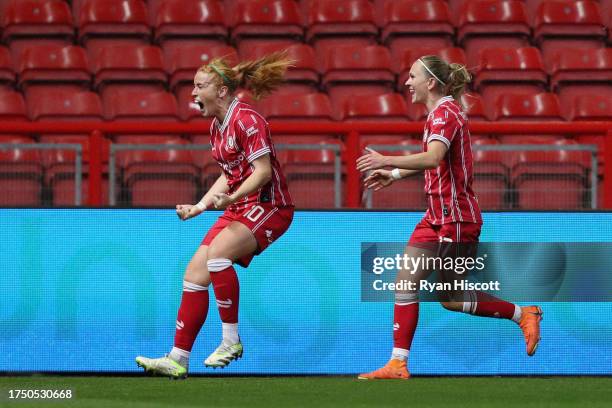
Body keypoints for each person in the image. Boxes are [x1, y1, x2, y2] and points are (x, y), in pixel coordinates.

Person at [355, 55, 543, 380]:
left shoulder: (445, 113)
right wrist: (395, 174)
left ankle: (523, 313)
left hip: (457, 220)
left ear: (430, 82)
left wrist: (385, 159)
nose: (407, 82)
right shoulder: (438, 114)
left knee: (452, 298)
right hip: (435, 217)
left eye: (412, 76)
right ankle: (398, 363)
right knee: (405, 282)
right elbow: (439, 165)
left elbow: (433, 158)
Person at [136, 52, 295, 379]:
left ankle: (230, 340)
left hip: (270, 206)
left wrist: (233, 198)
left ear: (222, 90)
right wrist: (201, 206)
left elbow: (263, 172)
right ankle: (178, 358)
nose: (192, 94)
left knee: (218, 256)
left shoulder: (247, 119)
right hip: (239, 206)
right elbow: (228, 173)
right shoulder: (216, 126)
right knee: (194, 274)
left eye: (199, 86)